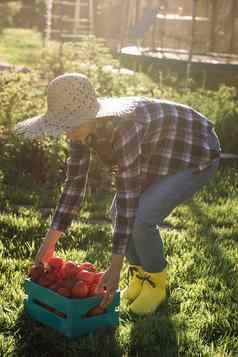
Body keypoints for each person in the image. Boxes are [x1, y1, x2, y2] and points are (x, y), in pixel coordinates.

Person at [15, 73, 221, 315]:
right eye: (63, 125)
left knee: (142, 218)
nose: (67, 132)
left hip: (196, 154)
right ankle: (139, 278)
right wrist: (47, 246)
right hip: (157, 155)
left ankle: (156, 283)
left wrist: (115, 267)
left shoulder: (126, 128)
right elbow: (74, 185)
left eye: (69, 124)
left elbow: (129, 198)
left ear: (90, 116)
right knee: (117, 212)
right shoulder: (80, 129)